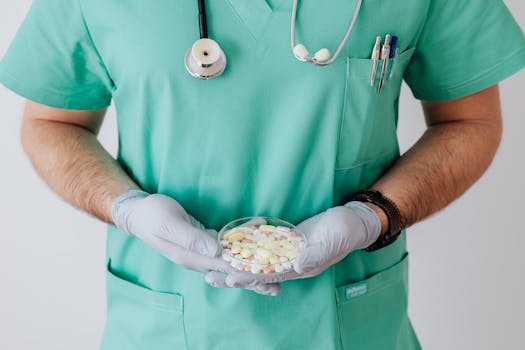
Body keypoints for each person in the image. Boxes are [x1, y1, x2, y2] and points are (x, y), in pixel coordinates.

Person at [1, 0, 524, 348]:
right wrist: (127, 209)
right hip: (165, 326)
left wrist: (373, 216)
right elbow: (52, 121)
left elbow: (469, 121)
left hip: (350, 326)